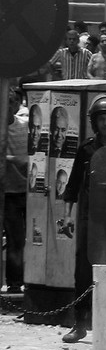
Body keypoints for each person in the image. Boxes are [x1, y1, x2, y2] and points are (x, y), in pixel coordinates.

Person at [61, 95, 106, 343]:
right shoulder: (86, 149)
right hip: (89, 218)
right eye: (101, 119)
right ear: (95, 122)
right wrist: (67, 217)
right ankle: (80, 323)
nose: (105, 124)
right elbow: (72, 187)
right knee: (83, 270)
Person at [3, 88, 28, 293]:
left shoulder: (25, 127)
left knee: (31, 239)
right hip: (8, 193)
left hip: (28, 191)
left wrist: (13, 160)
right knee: (15, 240)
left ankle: (29, 279)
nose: (9, 105)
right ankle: (14, 284)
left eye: (12, 102)